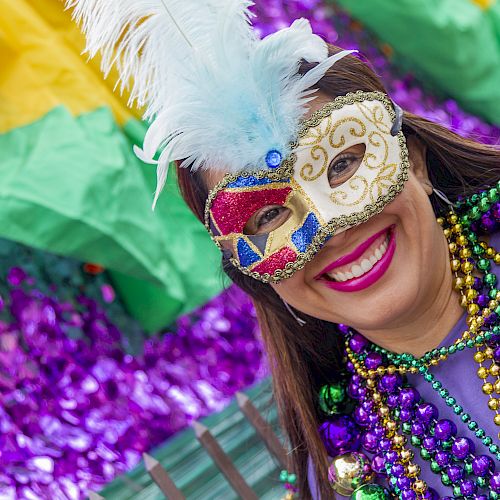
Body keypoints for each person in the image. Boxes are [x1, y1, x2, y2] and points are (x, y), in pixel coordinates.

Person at [69, 1, 500, 497]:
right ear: (251, 271)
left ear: (415, 160)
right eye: (269, 215)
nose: (331, 230)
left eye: (340, 166)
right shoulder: (347, 467)